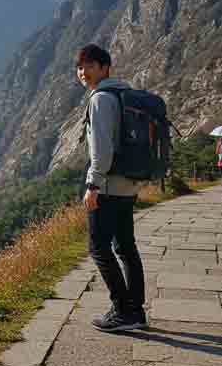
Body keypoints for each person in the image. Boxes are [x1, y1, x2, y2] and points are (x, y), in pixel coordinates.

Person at [77, 44, 146, 332]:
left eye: (90, 65)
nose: (83, 72)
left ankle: (122, 310)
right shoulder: (123, 94)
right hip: (127, 185)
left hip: (107, 186)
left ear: (105, 67)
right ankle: (136, 311)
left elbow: (101, 150)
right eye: (80, 67)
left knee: (99, 248)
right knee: (125, 247)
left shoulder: (101, 99)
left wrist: (93, 183)